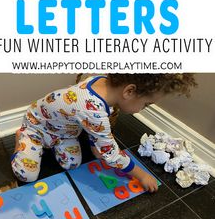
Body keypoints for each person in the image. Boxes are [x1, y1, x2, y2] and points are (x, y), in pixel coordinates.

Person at [11, 73, 196, 192]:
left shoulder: (100, 80)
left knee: (72, 164)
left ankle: (53, 144)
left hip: (64, 132)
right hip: (37, 127)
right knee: (27, 175)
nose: (141, 109)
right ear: (129, 91)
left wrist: (95, 142)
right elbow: (109, 153)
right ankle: (21, 138)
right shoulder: (94, 112)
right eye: (146, 104)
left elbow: (90, 125)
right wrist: (141, 174)